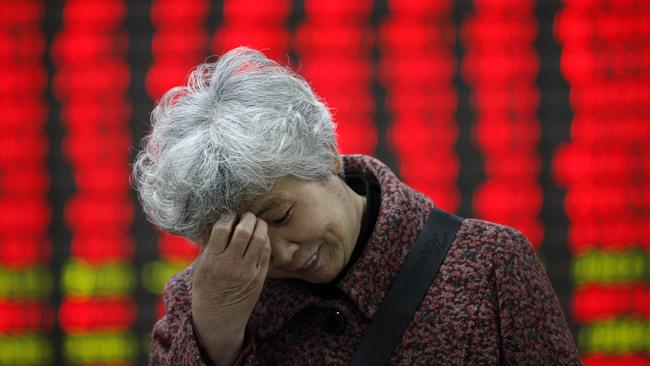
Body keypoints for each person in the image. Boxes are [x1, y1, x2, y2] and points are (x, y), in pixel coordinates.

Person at [132, 47, 581, 365]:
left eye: (281, 215)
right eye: (242, 240)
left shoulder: (491, 266)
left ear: (325, 154)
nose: (280, 253)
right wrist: (214, 337)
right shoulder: (199, 305)